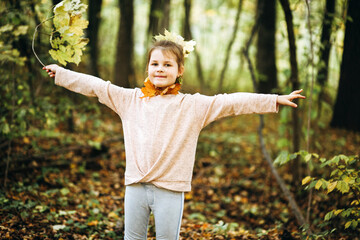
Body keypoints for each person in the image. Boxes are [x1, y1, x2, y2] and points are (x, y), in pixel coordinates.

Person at [43, 31, 305, 240]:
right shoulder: (129, 99)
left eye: (167, 64)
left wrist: (274, 100)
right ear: (147, 67)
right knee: (132, 237)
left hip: (170, 189)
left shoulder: (192, 106)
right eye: (154, 63)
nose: (159, 69)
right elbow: (97, 86)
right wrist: (63, 74)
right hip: (135, 185)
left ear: (179, 70)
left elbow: (231, 102)